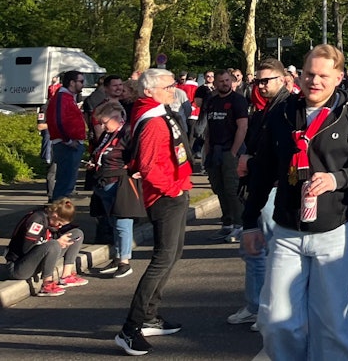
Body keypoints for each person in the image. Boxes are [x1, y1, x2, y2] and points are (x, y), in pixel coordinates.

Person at [241, 44, 348, 361]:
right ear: (299, 75)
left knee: (332, 328)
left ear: (338, 77)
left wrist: (338, 179)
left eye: (322, 75)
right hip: (288, 230)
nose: (314, 81)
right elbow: (263, 170)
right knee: (276, 323)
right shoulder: (282, 113)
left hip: (336, 231)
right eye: (309, 74)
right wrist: (250, 222)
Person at [115, 68, 193, 355]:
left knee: (173, 254)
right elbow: (147, 167)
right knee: (162, 259)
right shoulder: (151, 121)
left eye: (173, 84)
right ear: (149, 91)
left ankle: (149, 315)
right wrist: (173, 188)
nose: (174, 89)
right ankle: (130, 328)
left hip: (175, 190)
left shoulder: (158, 111)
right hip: (164, 196)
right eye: (168, 85)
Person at [226, 57, 290, 329]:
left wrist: (250, 162)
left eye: (267, 80)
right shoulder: (265, 109)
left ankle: (268, 309)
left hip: (274, 188)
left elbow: (283, 155)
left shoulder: (287, 108)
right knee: (252, 250)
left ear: (283, 79)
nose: (261, 86)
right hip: (258, 186)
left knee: (270, 252)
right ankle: (255, 305)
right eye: (258, 81)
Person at [1, 197, 87, 296]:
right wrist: (57, 242)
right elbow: (26, 249)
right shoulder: (37, 220)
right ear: (55, 215)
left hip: (38, 259)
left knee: (77, 234)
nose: (59, 227)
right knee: (54, 244)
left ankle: (66, 276)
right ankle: (47, 284)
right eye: (59, 223)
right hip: (18, 266)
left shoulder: (51, 221)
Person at [89, 100, 136, 279]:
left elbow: (137, 153)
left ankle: (125, 261)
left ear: (116, 118)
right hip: (104, 180)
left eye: (104, 122)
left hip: (119, 181)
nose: (101, 125)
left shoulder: (127, 132)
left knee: (122, 222)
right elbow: (100, 151)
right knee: (112, 221)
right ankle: (117, 257)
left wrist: (133, 169)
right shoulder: (108, 134)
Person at [201, 69, 249, 242]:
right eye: (221, 81)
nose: (225, 84)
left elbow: (242, 127)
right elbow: (208, 128)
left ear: (233, 81)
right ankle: (227, 223)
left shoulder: (238, 101)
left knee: (232, 189)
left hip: (230, 150)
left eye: (227, 80)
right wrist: (207, 151)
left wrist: (234, 152)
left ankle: (239, 224)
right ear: (215, 84)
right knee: (219, 188)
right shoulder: (212, 102)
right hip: (214, 150)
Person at [46, 70, 88, 200]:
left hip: (71, 144)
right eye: (80, 81)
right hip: (67, 145)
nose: (83, 85)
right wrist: (68, 140)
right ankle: (58, 214)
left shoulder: (67, 98)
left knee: (68, 182)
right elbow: (58, 121)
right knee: (65, 183)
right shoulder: (61, 98)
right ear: (72, 83)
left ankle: (61, 214)